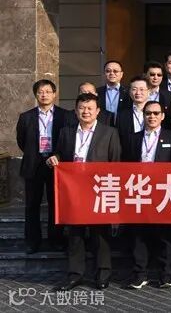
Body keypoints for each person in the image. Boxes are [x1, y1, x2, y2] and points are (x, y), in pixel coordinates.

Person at [47, 93, 121, 291]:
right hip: (74, 190)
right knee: (75, 233)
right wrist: (54, 158)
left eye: (90, 108)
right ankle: (75, 275)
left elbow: (115, 163)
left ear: (98, 111)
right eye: (82, 108)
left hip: (99, 189)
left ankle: (103, 273)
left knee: (100, 234)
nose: (85, 111)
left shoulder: (110, 132)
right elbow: (59, 153)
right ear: (76, 110)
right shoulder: (66, 132)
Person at [122, 100, 171, 289]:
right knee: (139, 234)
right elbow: (126, 165)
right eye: (148, 113)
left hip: (164, 191)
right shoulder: (133, 138)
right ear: (143, 116)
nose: (152, 116)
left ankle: (166, 275)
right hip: (139, 192)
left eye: (156, 113)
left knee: (164, 235)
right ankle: (140, 274)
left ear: (163, 116)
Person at [16, 79, 68, 254]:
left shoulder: (64, 116)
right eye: (40, 92)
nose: (44, 95)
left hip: (56, 164)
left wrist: (57, 156)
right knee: (32, 205)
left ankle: (56, 239)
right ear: (36, 95)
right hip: (34, 164)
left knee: (56, 204)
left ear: (54, 94)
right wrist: (35, 154)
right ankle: (32, 242)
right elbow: (21, 141)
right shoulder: (26, 117)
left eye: (47, 91)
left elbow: (67, 140)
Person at [115, 76, 150, 154]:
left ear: (149, 91)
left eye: (141, 89)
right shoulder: (122, 115)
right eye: (134, 89)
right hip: (128, 156)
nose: (138, 93)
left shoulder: (156, 112)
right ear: (130, 92)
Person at [143, 61, 171, 128]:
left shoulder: (169, 96)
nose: (155, 77)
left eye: (159, 75)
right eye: (152, 74)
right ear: (145, 75)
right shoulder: (137, 94)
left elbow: (169, 121)